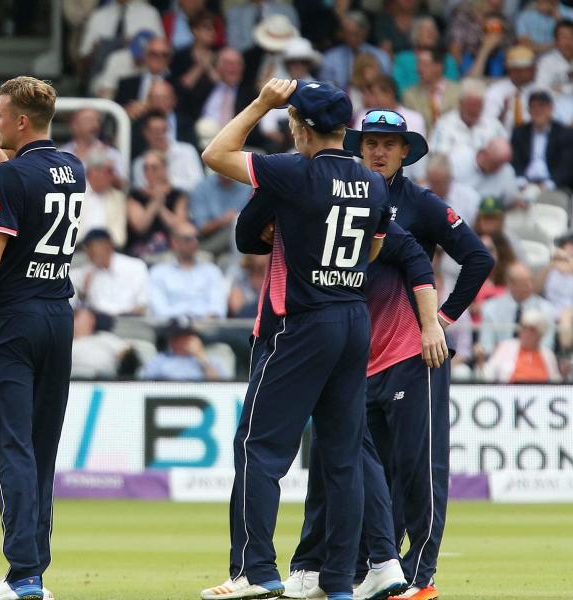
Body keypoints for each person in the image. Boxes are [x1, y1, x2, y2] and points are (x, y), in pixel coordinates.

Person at [286, 108, 492, 600]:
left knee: (417, 468)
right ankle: (368, 568)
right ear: (358, 146)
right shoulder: (347, 193)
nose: (378, 151)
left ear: (405, 151)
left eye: (389, 144)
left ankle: (420, 578)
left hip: (413, 354)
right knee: (358, 469)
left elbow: (479, 257)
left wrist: (439, 321)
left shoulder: (421, 204)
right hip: (355, 354)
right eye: (371, 142)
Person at [199, 78, 391, 600]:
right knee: (342, 455)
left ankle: (255, 571)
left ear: (301, 128)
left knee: (258, 449)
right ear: (346, 130)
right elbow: (373, 252)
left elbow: (215, 153)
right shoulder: (373, 182)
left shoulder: (293, 170)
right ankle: (339, 584)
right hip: (354, 317)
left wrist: (261, 102)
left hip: (303, 322)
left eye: (291, 123)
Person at [0, 75, 86, 600]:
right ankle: (35, 572)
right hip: (58, 314)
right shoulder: (70, 168)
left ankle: (23, 575)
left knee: (13, 448)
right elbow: (4, 173)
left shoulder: (13, 178)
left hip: (12, 320)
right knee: (41, 449)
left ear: (22, 122)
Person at [479, 262, 557, 356]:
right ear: (510, 284)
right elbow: (486, 345)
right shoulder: (490, 308)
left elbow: (547, 346)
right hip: (500, 363)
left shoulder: (547, 309)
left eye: (531, 281)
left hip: (534, 361)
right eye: (524, 283)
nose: (530, 286)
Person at [125, 149, 190, 257]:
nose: (149, 172)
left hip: (172, 248)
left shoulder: (178, 195)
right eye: (145, 168)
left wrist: (160, 207)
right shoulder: (135, 196)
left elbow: (179, 226)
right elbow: (140, 226)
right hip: (142, 248)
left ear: (164, 169)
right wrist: (155, 203)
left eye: (154, 168)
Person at [71, 229, 150, 317]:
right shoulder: (87, 272)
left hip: (130, 320)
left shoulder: (135, 267)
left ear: (108, 246)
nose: (89, 254)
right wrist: (84, 291)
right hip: (99, 322)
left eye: (93, 248)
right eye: (87, 249)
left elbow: (143, 304)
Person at [428, 78, 508, 156]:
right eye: (471, 106)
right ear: (460, 103)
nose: (474, 111)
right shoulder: (444, 124)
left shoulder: (493, 125)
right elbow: (438, 157)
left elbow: (504, 154)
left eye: (478, 106)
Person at [512, 90, 573, 191]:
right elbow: (515, 161)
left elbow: (567, 166)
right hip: (524, 184)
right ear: (529, 110)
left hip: (554, 186)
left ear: (551, 108)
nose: (538, 110)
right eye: (533, 107)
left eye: (542, 106)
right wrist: (522, 182)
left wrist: (549, 185)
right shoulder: (519, 132)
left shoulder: (565, 133)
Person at [131, 111, 204, 192]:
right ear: (145, 133)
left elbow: (198, 185)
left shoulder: (187, 151)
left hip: (187, 202)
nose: (160, 134)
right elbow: (140, 191)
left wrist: (169, 182)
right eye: (155, 131)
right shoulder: (139, 163)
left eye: (164, 130)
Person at [482, 309, 562, 382]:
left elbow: (556, 381)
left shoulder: (548, 355)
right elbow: (488, 373)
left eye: (532, 330)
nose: (526, 333)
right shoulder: (506, 347)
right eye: (524, 328)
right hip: (509, 393)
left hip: (542, 395)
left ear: (540, 334)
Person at [320, 11, 392, 90]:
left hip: (373, 99)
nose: (351, 38)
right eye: (347, 33)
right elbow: (325, 89)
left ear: (365, 32)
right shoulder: (330, 57)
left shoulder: (381, 57)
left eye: (355, 33)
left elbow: (386, 86)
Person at [139, 317, 227, 380]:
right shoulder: (158, 361)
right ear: (171, 339)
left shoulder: (210, 361)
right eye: (180, 336)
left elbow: (222, 388)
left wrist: (202, 358)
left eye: (188, 335)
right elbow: (144, 384)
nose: (185, 340)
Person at [60, 108, 128, 185]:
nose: (95, 125)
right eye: (89, 120)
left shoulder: (111, 154)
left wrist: (109, 172)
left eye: (97, 121)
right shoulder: (61, 154)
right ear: (74, 125)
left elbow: (122, 185)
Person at [190, 172, 253, 255]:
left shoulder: (248, 187)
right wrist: (222, 221)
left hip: (243, 240)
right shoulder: (202, 188)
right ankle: (199, 252)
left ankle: (199, 253)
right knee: (234, 229)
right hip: (212, 238)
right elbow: (202, 228)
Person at [482, 45, 539, 135]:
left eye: (533, 68)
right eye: (529, 68)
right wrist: (503, 112)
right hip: (503, 140)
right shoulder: (496, 91)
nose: (534, 71)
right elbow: (488, 124)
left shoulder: (540, 91)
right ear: (514, 71)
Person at [402, 48, 462, 132]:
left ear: (438, 66)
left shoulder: (458, 92)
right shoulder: (410, 95)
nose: (418, 69)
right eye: (418, 64)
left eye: (424, 64)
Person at [114, 35, 173, 118]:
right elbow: (116, 111)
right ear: (145, 56)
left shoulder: (177, 84)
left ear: (169, 59)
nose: (159, 58)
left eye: (164, 55)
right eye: (154, 54)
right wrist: (126, 111)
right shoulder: (126, 84)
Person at [449, 137, 519, 206]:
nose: (498, 169)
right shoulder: (459, 158)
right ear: (484, 153)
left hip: (487, 214)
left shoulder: (506, 171)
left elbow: (510, 201)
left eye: (502, 164)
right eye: (495, 163)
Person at [225, 0, 300, 53]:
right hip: (247, 61)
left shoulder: (287, 10)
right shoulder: (235, 12)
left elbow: (294, 42)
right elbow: (233, 45)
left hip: (281, 58)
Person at [535, 19, 573, 123]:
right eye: (564, 37)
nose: (569, 42)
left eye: (571, 36)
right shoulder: (547, 62)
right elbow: (541, 91)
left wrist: (564, 89)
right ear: (556, 41)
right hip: (556, 112)